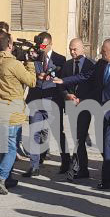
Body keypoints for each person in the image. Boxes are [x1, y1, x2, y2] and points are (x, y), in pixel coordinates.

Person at [62, 39, 110, 189]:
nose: (100, 53)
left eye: (103, 51)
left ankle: (106, 181)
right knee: (104, 144)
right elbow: (87, 78)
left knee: (108, 144)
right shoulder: (101, 64)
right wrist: (64, 82)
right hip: (100, 109)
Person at [0, 30, 37, 194]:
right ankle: (1, 179)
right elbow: (31, 81)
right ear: (9, 45)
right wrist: (30, 63)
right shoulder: (13, 64)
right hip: (12, 110)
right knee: (11, 148)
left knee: (3, 146)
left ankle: (7, 178)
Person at [24, 31, 66, 179]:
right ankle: (34, 166)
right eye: (39, 44)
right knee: (34, 133)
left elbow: (61, 79)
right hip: (35, 100)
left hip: (52, 100)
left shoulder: (60, 59)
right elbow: (26, 74)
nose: (40, 48)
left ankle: (66, 162)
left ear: (50, 44)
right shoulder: (33, 57)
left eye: (43, 45)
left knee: (58, 133)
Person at [59, 38, 94, 179]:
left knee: (80, 137)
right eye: (70, 49)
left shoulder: (91, 64)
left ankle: (77, 167)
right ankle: (82, 168)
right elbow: (61, 85)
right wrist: (67, 95)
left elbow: (95, 86)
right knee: (77, 136)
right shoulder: (67, 65)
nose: (72, 52)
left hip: (85, 105)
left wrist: (83, 99)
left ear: (83, 49)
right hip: (71, 105)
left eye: (75, 49)